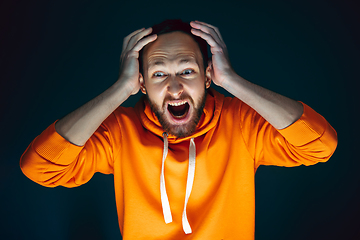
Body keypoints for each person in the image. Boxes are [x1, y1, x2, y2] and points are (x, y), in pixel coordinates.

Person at [20, 19, 338, 239]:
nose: (174, 88)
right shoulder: (120, 132)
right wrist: (120, 88)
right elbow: (40, 168)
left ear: (207, 77)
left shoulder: (240, 123)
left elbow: (320, 145)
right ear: (141, 83)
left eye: (187, 70)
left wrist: (232, 81)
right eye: (158, 74)